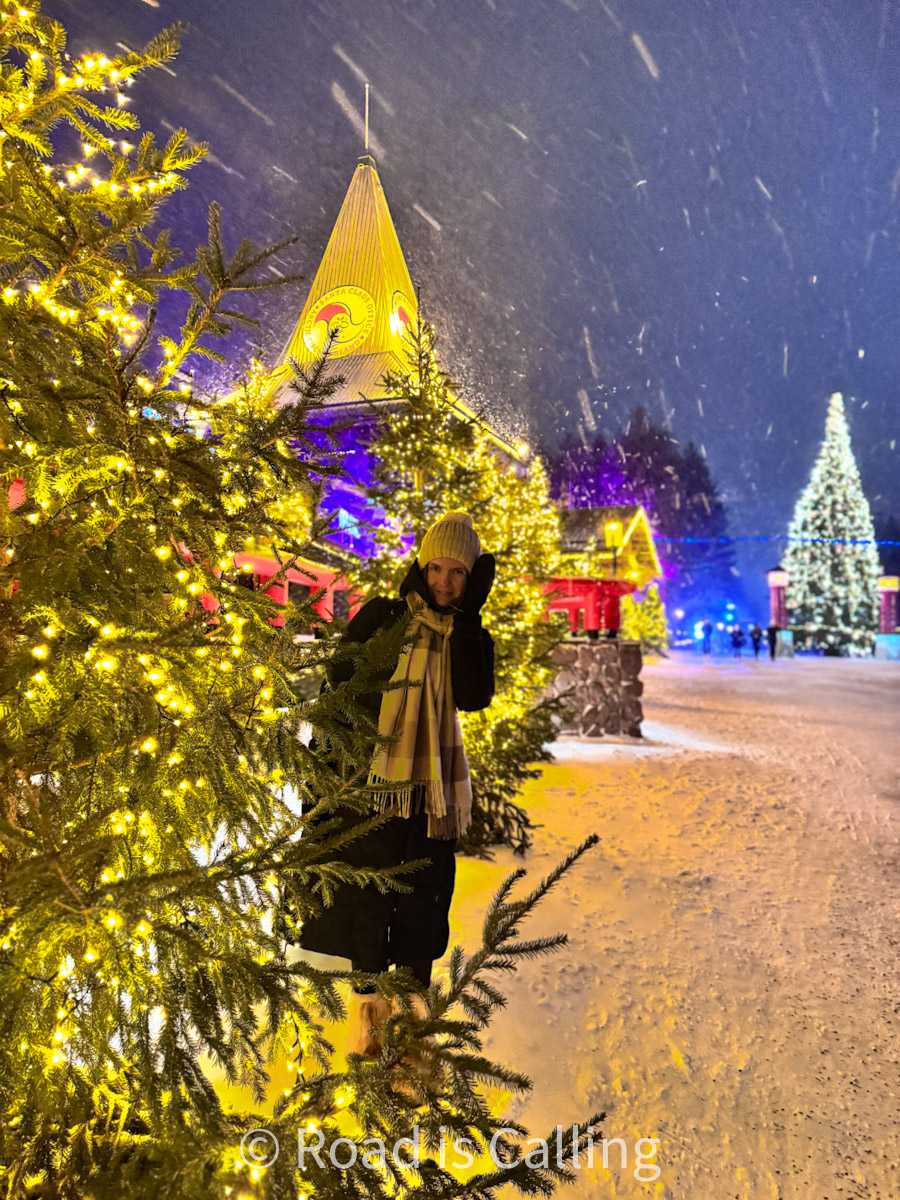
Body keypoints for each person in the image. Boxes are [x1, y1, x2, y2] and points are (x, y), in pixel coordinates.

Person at [299, 512, 495, 1062]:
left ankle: (410, 1042)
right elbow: (339, 688)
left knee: (421, 909)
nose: (445, 582)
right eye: (437, 567)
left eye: (459, 573)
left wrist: (468, 619)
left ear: (472, 578)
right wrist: (332, 774)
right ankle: (366, 1035)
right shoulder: (383, 618)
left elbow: (476, 694)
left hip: (430, 794)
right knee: (367, 905)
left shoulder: (468, 634)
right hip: (373, 788)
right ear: (422, 563)